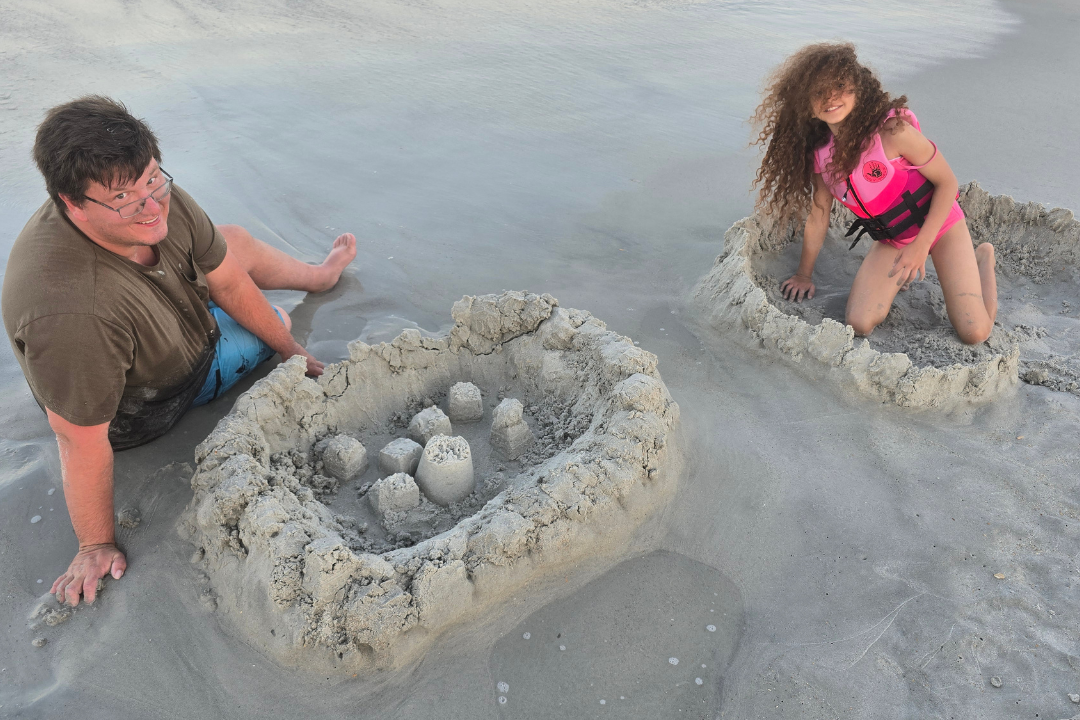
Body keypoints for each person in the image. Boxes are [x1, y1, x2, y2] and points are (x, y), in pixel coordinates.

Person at [1, 96, 357, 607]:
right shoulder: (73, 312)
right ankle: (238, 334)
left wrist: (292, 352)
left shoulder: (147, 193)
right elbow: (80, 439)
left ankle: (319, 277)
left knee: (230, 242)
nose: (151, 206)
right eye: (124, 197)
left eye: (152, 179)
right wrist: (96, 544)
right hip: (143, 398)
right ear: (72, 203)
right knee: (273, 318)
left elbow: (228, 278)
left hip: (150, 317)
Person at [751, 42, 997, 344]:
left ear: (858, 88)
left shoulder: (892, 131)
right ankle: (901, 275)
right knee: (859, 323)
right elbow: (819, 214)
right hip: (895, 240)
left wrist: (921, 247)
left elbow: (947, 183)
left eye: (840, 86)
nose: (831, 98)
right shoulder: (820, 155)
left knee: (974, 332)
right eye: (818, 92)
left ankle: (983, 257)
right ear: (805, 103)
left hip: (941, 226)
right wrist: (804, 274)